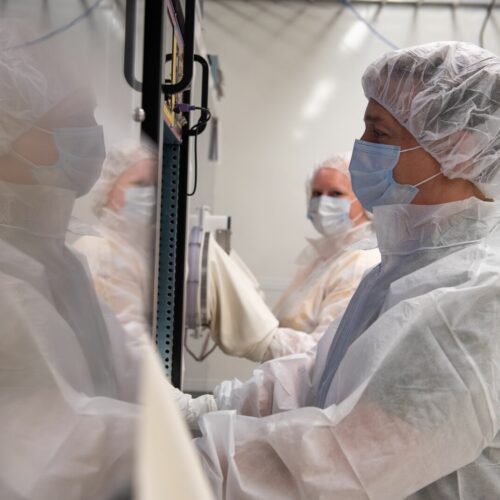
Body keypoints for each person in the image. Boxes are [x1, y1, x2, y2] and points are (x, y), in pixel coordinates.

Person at [190, 41, 500, 499]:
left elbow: (336, 467)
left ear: (458, 145)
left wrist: (172, 460)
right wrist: (201, 411)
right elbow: (314, 382)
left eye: (379, 132)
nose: (362, 149)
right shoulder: (400, 269)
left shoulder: (474, 298)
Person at [0, 22, 215, 499]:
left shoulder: (60, 264)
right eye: (72, 117)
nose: (90, 135)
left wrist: (213, 415)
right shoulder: (10, 277)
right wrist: (222, 452)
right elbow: (63, 447)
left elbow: (127, 378)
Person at [270, 155, 380, 358]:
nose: (322, 203)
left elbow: (323, 351)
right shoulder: (324, 258)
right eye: (317, 193)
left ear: (364, 200)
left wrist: (263, 340)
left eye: (336, 193)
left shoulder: (361, 262)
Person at [74, 142, 158, 341]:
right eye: (140, 184)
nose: (150, 194)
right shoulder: (96, 249)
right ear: (108, 189)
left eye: (156, 186)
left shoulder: (143, 255)